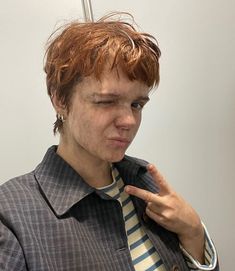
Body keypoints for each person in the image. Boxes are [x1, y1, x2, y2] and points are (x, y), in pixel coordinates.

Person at [0, 13, 218, 271]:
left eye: (137, 104)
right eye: (106, 102)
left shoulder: (145, 180)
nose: (128, 120)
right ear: (60, 99)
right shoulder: (11, 216)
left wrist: (193, 232)